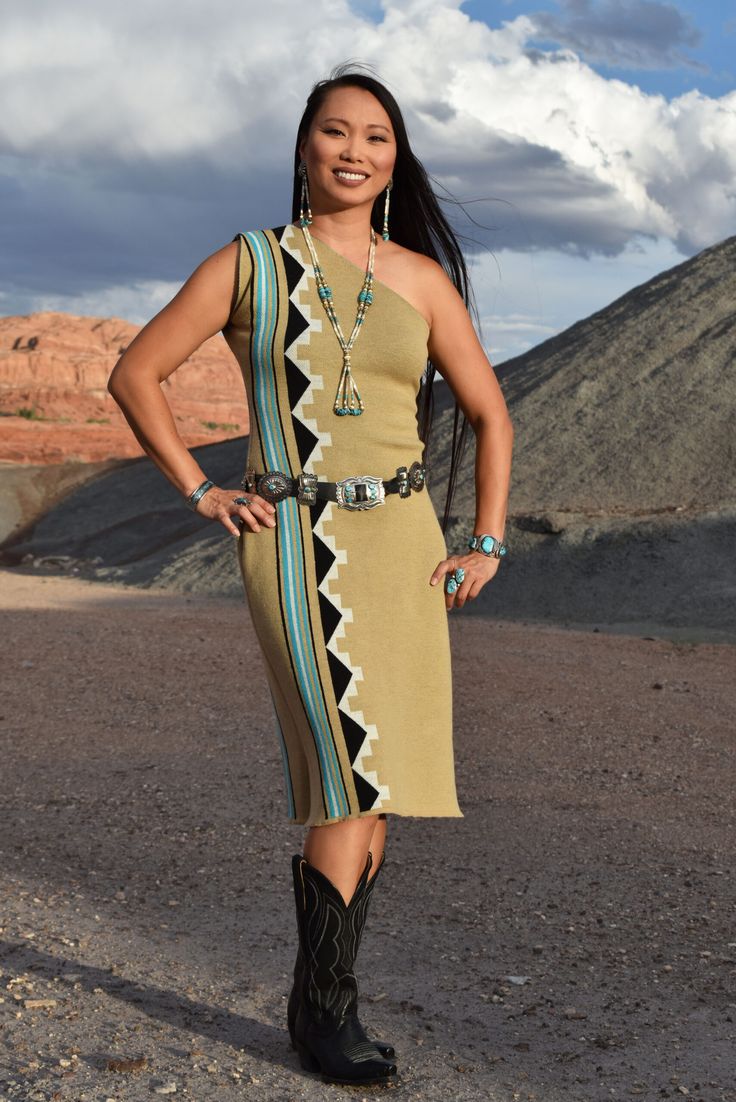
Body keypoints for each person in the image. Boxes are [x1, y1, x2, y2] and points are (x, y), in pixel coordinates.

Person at [108, 63, 513, 1087]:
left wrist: (486, 539)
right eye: (334, 132)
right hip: (294, 541)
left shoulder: (420, 278)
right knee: (343, 768)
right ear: (302, 148)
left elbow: (489, 412)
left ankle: (318, 1000)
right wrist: (200, 488)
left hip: (407, 544)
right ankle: (325, 1012)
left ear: (393, 159)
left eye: (375, 137)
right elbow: (135, 372)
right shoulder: (248, 262)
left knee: (379, 787)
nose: (353, 151)